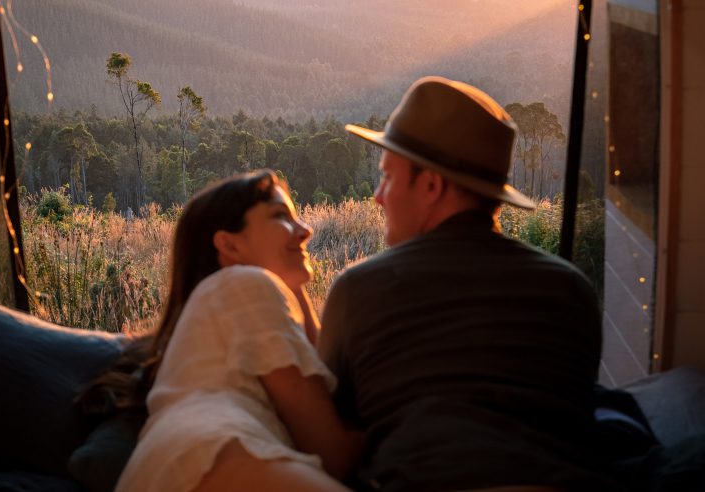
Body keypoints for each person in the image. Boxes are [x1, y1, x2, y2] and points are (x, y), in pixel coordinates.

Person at [318, 77, 619, 491]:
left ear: (430, 186)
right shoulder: (571, 291)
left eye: (387, 177)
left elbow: (335, 445)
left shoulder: (359, 290)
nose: (378, 196)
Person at [87, 170, 362, 492]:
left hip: (188, 461)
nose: (305, 230)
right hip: (216, 450)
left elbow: (320, 367)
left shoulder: (217, 308)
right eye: (280, 216)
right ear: (229, 244)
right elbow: (330, 450)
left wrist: (296, 285)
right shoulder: (246, 282)